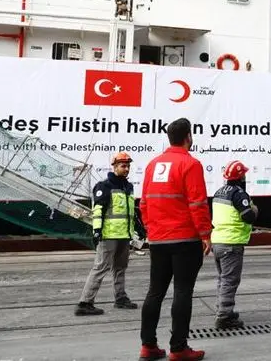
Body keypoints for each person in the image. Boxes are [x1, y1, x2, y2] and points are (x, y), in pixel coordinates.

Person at [138, 118, 212, 361]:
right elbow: (198, 204)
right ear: (188, 137)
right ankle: (178, 348)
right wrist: (205, 234)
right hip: (185, 240)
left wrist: (152, 229)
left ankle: (148, 346)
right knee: (182, 291)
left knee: (155, 292)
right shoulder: (191, 164)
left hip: (158, 239)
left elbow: (144, 204)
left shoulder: (152, 165)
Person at [75, 151, 141, 316]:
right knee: (100, 267)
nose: (126, 169)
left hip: (124, 236)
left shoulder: (128, 187)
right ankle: (85, 302)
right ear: (115, 167)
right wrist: (97, 231)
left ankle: (121, 298)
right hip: (108, 235)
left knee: (120, 268)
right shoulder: (104, 186)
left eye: (128, 166)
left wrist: (137, 228)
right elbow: (98, 210)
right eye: (123, 166)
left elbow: (130, 212)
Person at [210, 159, 258, 329]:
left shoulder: (218, 192)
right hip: (231, 243)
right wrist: (254, 209)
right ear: (241, 177)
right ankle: (224, 317)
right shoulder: (239, 194)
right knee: (230, 280)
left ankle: (222, 310)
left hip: (217, 241)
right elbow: (248, 216)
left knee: (223, 279)